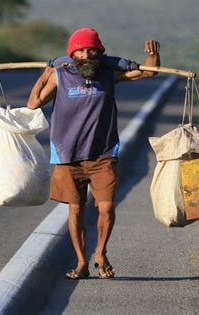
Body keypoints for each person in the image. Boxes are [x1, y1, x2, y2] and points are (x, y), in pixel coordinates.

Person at [26, 28, 160, 279]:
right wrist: (46, 73)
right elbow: (33, 103)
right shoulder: (60, 75)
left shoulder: (109, 73)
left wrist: (153, 55)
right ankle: (81, 263)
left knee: (107, 207)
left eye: (91, 50)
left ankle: (100, 253)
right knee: (75, 210)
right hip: (68, 156)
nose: (86, 54)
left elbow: (149, 71)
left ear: (99, 52)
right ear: (72, 54)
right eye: (80, 50)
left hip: (103, 154)